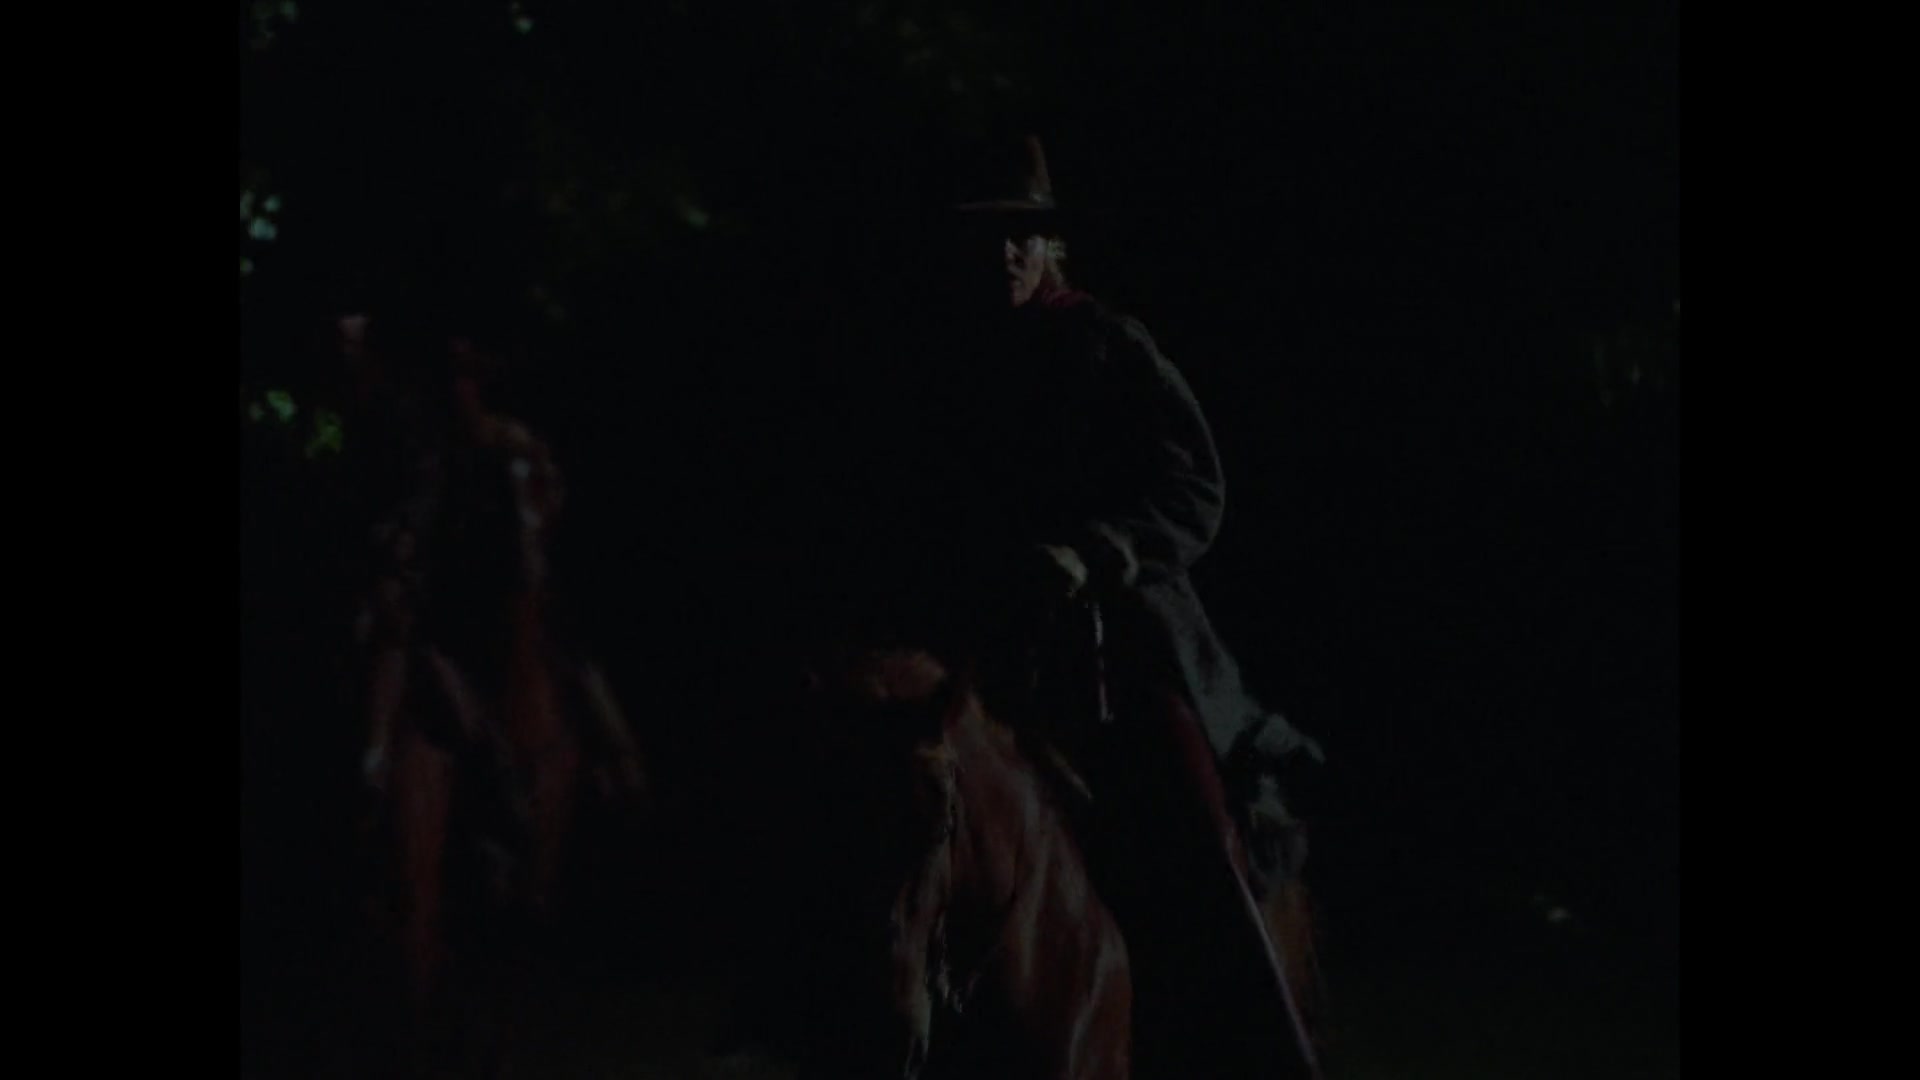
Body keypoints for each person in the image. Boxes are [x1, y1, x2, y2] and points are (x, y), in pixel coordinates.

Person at [915, 134, 1326, 1078]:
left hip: (1116, 653)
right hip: (979, 649)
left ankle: (1272, 1051)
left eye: (1021, 236)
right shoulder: (946, 369)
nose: (1005, 255)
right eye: (986, 238)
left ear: (1048, 246)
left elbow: (1195, 488)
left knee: (1196, 818)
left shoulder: (1106, 344)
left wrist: (1096, 552)